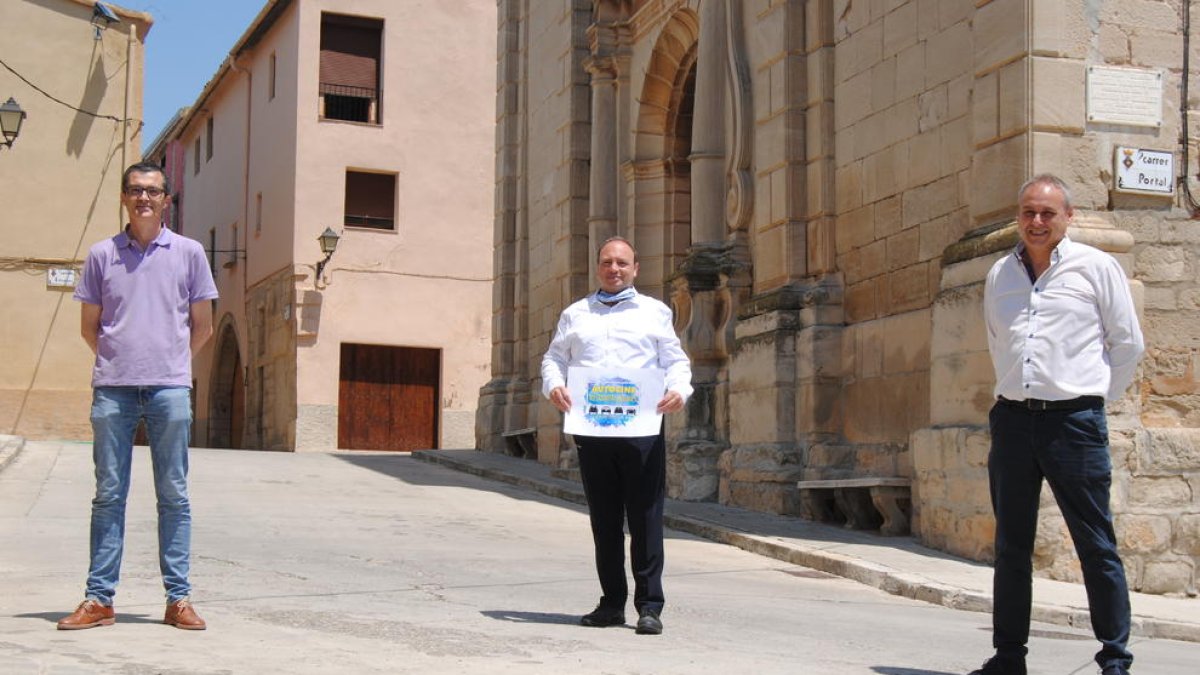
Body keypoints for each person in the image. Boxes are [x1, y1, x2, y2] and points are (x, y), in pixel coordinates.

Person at [972, 175, 1143, 675]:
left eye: (1048, 213)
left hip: (1074, 424)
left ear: (1067, 216)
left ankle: (1115, 659)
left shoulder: (1096, 267)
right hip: (1013, 423)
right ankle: (1008, 658)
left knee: (1096, 544)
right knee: (1011, 547)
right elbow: (996, 341)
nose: (1037, 222)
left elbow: (1127, 344)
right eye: (1028, 212)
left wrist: (1090, 398)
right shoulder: (999, 274)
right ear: (1018, 217)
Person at [58, 162, 218, 631]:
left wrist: (171, 364)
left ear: (166, 199)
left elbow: (204, 326)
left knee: (174, 495)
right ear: (124, 198)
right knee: (108, 495)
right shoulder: (101, 255)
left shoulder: (189, 253)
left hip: (170, 389)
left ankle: (178, 599)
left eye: (153, 191)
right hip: (113, 390)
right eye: (135, 190)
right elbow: (90, 327)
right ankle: (99, 599)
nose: (144, 198)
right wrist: (120, 362)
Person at [541, 236, 692, 635]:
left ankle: (650, 606)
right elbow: (554, 358)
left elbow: (675, 361)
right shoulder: (575, 314)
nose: (614, 269)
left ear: (635, 268)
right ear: (597, 267)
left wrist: (679, 390)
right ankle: (611, 604)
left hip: (642, 430)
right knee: (604, 520)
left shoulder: (655, 313)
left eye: (622, 263)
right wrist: (553, 385)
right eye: (607, 262)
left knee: (645, 517)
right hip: (592, 431)